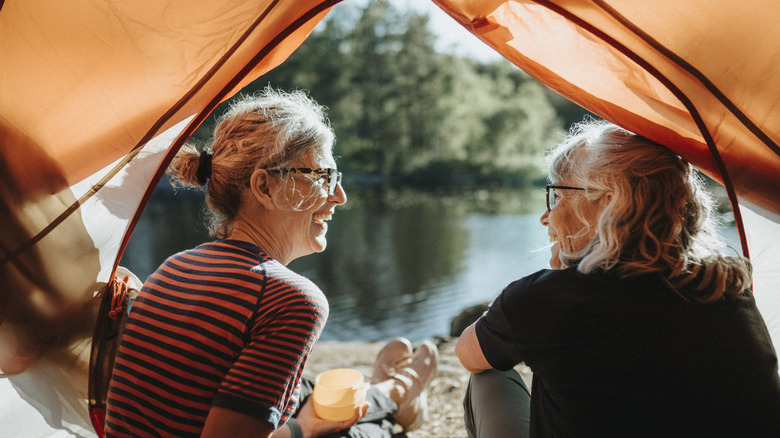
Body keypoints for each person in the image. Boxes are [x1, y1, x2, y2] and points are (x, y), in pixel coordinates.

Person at [104, 88, 438, 438]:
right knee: (348, 432)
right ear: (264, 186)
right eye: (323, 176)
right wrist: (304, 428)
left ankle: (394, 392)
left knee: (301, 392)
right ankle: (398, 399)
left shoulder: (174, 266)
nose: (340, 196)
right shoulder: (289, 299)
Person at [455, 119, 780, 437]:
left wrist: (540, 294)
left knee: (487, 376)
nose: (545, 217)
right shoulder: (727, 288)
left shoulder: (549, 300)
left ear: (610, 203)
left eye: (557, 195)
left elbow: (468, 353)